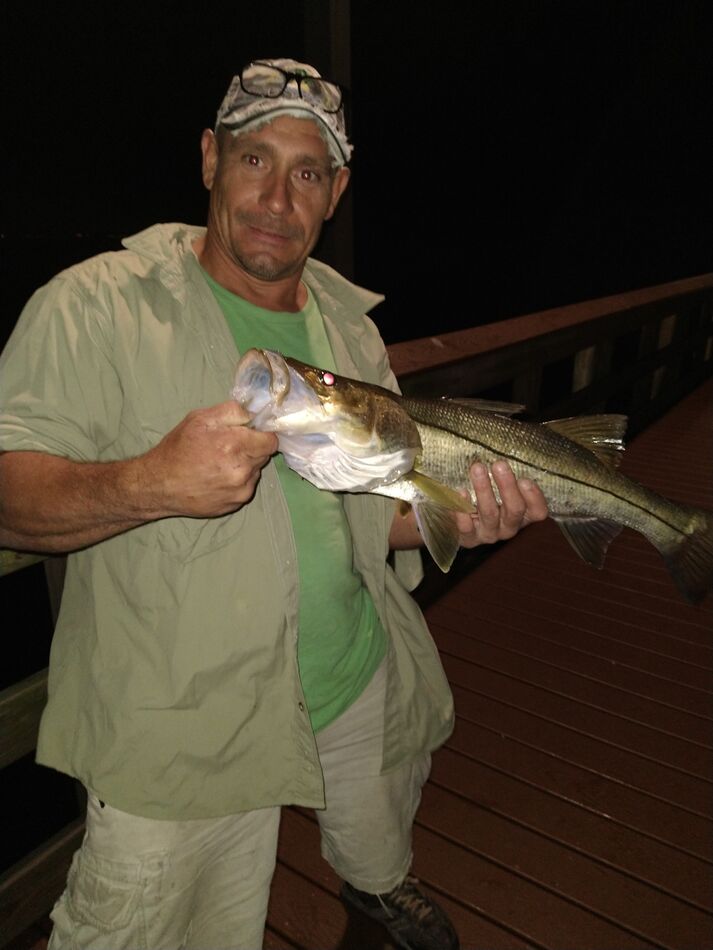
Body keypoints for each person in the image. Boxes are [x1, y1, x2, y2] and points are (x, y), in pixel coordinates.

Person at [0, 58, 548, 950]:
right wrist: (149, 482)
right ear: (210, 158)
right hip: (190, 723)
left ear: (334, 192)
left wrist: (459, 512)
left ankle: (376, 889)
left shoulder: (349, 325)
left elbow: (372, 506)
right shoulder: (91, 307)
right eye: (255, 160)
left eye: (305, 173)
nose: (276, 199)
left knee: (377, 825)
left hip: (352, 669)